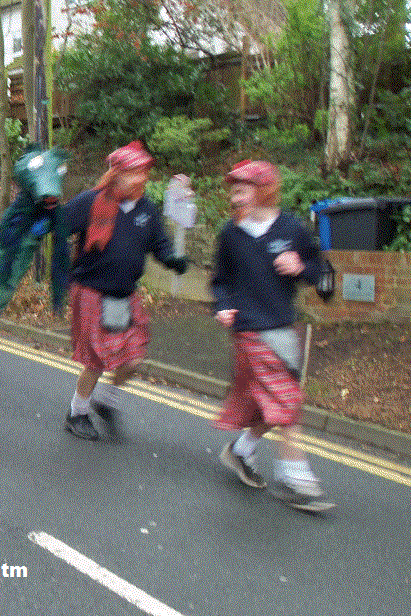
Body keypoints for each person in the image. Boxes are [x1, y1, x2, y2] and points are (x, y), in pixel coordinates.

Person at [210, 159, 333, 512]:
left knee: (272, 404)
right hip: (249, 331)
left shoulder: (292, 229)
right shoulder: (230, 234)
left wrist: (301, 266)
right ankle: (296, 479)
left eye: (242, 190)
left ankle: (241, 451)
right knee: (287, 401)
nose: (235, 197)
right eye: (233, 191)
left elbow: (322, 275)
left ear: (264, 190)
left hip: (283, 328)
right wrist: (223, 305)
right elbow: (220, 281)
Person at [60, 140, 188, 441]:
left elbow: (159, 243)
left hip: (125, 295)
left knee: (133, 359)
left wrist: (171, 258)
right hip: (92, 291)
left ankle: (107, 401)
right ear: (116, 174)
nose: (141, 179)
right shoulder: (91, 201)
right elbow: (60, 224)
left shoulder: (146, 209)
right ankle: (77, 413)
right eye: (133, 173)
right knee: (95, 361)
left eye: (143, 172)